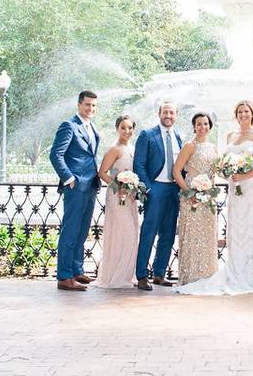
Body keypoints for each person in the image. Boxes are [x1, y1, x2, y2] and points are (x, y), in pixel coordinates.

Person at [177, 101, 253, 296]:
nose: (243, 114)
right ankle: (236, 271)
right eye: (240, 112)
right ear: (236, 115)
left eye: (247, 111)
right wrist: (230, 175)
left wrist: (244, 175)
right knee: (236, 229)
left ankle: (252, 275)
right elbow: (220, 167)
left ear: (252, 114)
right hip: (235, 187)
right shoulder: (230, 136)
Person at [49, 90, 101, 292]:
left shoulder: (91, 126)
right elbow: (56, 155)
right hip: (76, 185)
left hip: (90, 185)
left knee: (82, 230)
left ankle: (76, 269)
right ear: (79, 105)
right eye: (87, 105)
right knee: (70, 230)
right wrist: (69, 178)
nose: (91, 109)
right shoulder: (69, 126)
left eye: (94, 106)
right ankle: (64, 276)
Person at [132, 102, 184, 291]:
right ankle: (142, 275)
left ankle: (160, 273)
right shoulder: (147, 135)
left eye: (171, 112)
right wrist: (149, 189)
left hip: (173, 190)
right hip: (156, 189)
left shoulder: (178, 136)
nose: (168, 115)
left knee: (168, 234)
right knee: (148, 233)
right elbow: (139, 164)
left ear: (176, 115)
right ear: (159, 114)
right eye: (165, 112)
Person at [91, 115, 139, 289]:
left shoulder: (133, 149)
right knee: (123, 232)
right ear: (117, 128)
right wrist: (118, 186)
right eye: (123, 127)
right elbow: (102, 172)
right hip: (117, 196)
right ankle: (115, 276)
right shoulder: (114, 149)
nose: (127, 131)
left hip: (130, 198)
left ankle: (126, 274)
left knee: (132, 233)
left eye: (130, 128)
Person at [172, 112, 219, 285]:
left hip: (208, 200)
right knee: (192, 236)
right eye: (199, 124)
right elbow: (176, 172)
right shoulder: (189, 146)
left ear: (209, 126)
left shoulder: (213, 147)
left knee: (207, 238)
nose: (202, 127)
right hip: (191, 199)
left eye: (205, 123)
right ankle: (191, 278)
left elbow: (216, 172)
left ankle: (208, 277)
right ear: (194, 126)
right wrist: (189, 193)